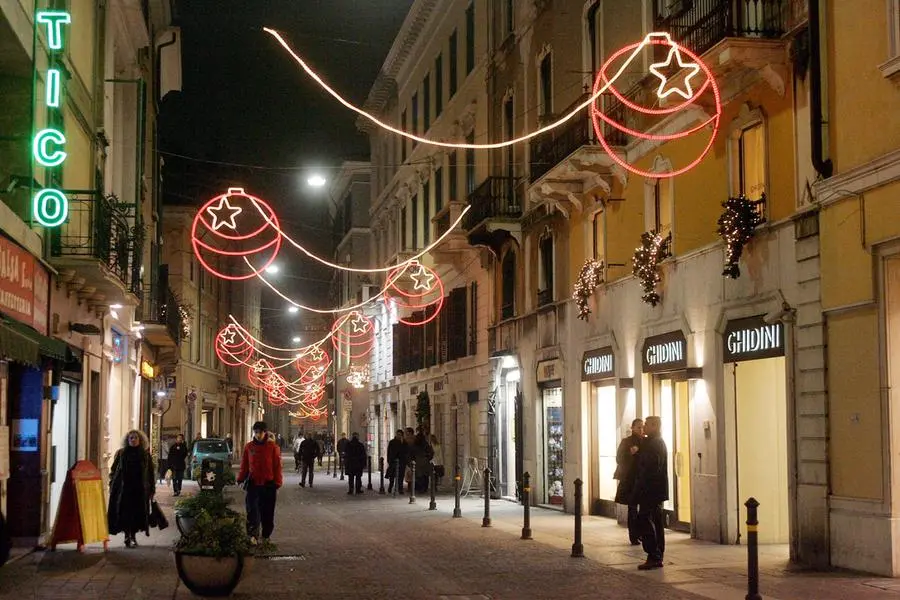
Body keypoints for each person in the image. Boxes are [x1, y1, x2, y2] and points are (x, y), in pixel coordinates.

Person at [107, 430, 156, 548]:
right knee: (125, 513)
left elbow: (150, 473)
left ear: (140, 440)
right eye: (131, 438)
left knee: (137, 513)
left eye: (135, 438)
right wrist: (112, 484)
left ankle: (133, 536)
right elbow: (114, 470)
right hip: (124, 489)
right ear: (127, 440)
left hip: (139, 489)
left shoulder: (145, 455)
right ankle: (127, 536)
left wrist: (152, 489)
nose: (133, 440)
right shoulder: (121, 453)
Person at [237, 421, 283, 545]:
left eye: (260, 432)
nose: (258, 435)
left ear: (265, 433)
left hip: (269, 484)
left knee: (267, 511)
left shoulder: (273, 448)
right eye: (256, 432)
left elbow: (277, 466)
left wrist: (277, 482)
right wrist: (240, 479)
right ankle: (253, 535)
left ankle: (266, 535)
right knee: (252, 510)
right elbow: (244, 465)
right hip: (253, 484)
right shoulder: (249, 447)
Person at [632, 416, 668, 570]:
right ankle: (656, 554)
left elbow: (651, 468)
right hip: (653, 490)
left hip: (651, 490)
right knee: (655, 521)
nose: (644, 427)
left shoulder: (655, 444)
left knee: (645, 519)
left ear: (654, 426)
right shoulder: (653, 442)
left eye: (646, 424)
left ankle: (654, 554)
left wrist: (642, 487)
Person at [615, 418, 644, 545]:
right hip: (631, 479)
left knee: (643, 508)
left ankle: (641, 533)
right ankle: (634, 535)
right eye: (638, 427)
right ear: (632, 428)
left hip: (642, 478)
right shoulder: (626, 442)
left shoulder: (646, 441)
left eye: (642, 427)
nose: (641, 429)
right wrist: (630, 453)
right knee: (632, 508)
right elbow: (619, 458)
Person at [386, 430, 407, 494]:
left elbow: (406, 452)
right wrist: (389, 460)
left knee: (400, 476)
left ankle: (400, 489)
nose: (399, 436)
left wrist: (402, 443)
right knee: (392, 476)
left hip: (401, 462)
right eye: (398, 434)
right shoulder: (392, 442)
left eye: (400, 435)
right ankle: (390, 487)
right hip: (393, 461)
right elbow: (389, 452)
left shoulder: (404, 443)